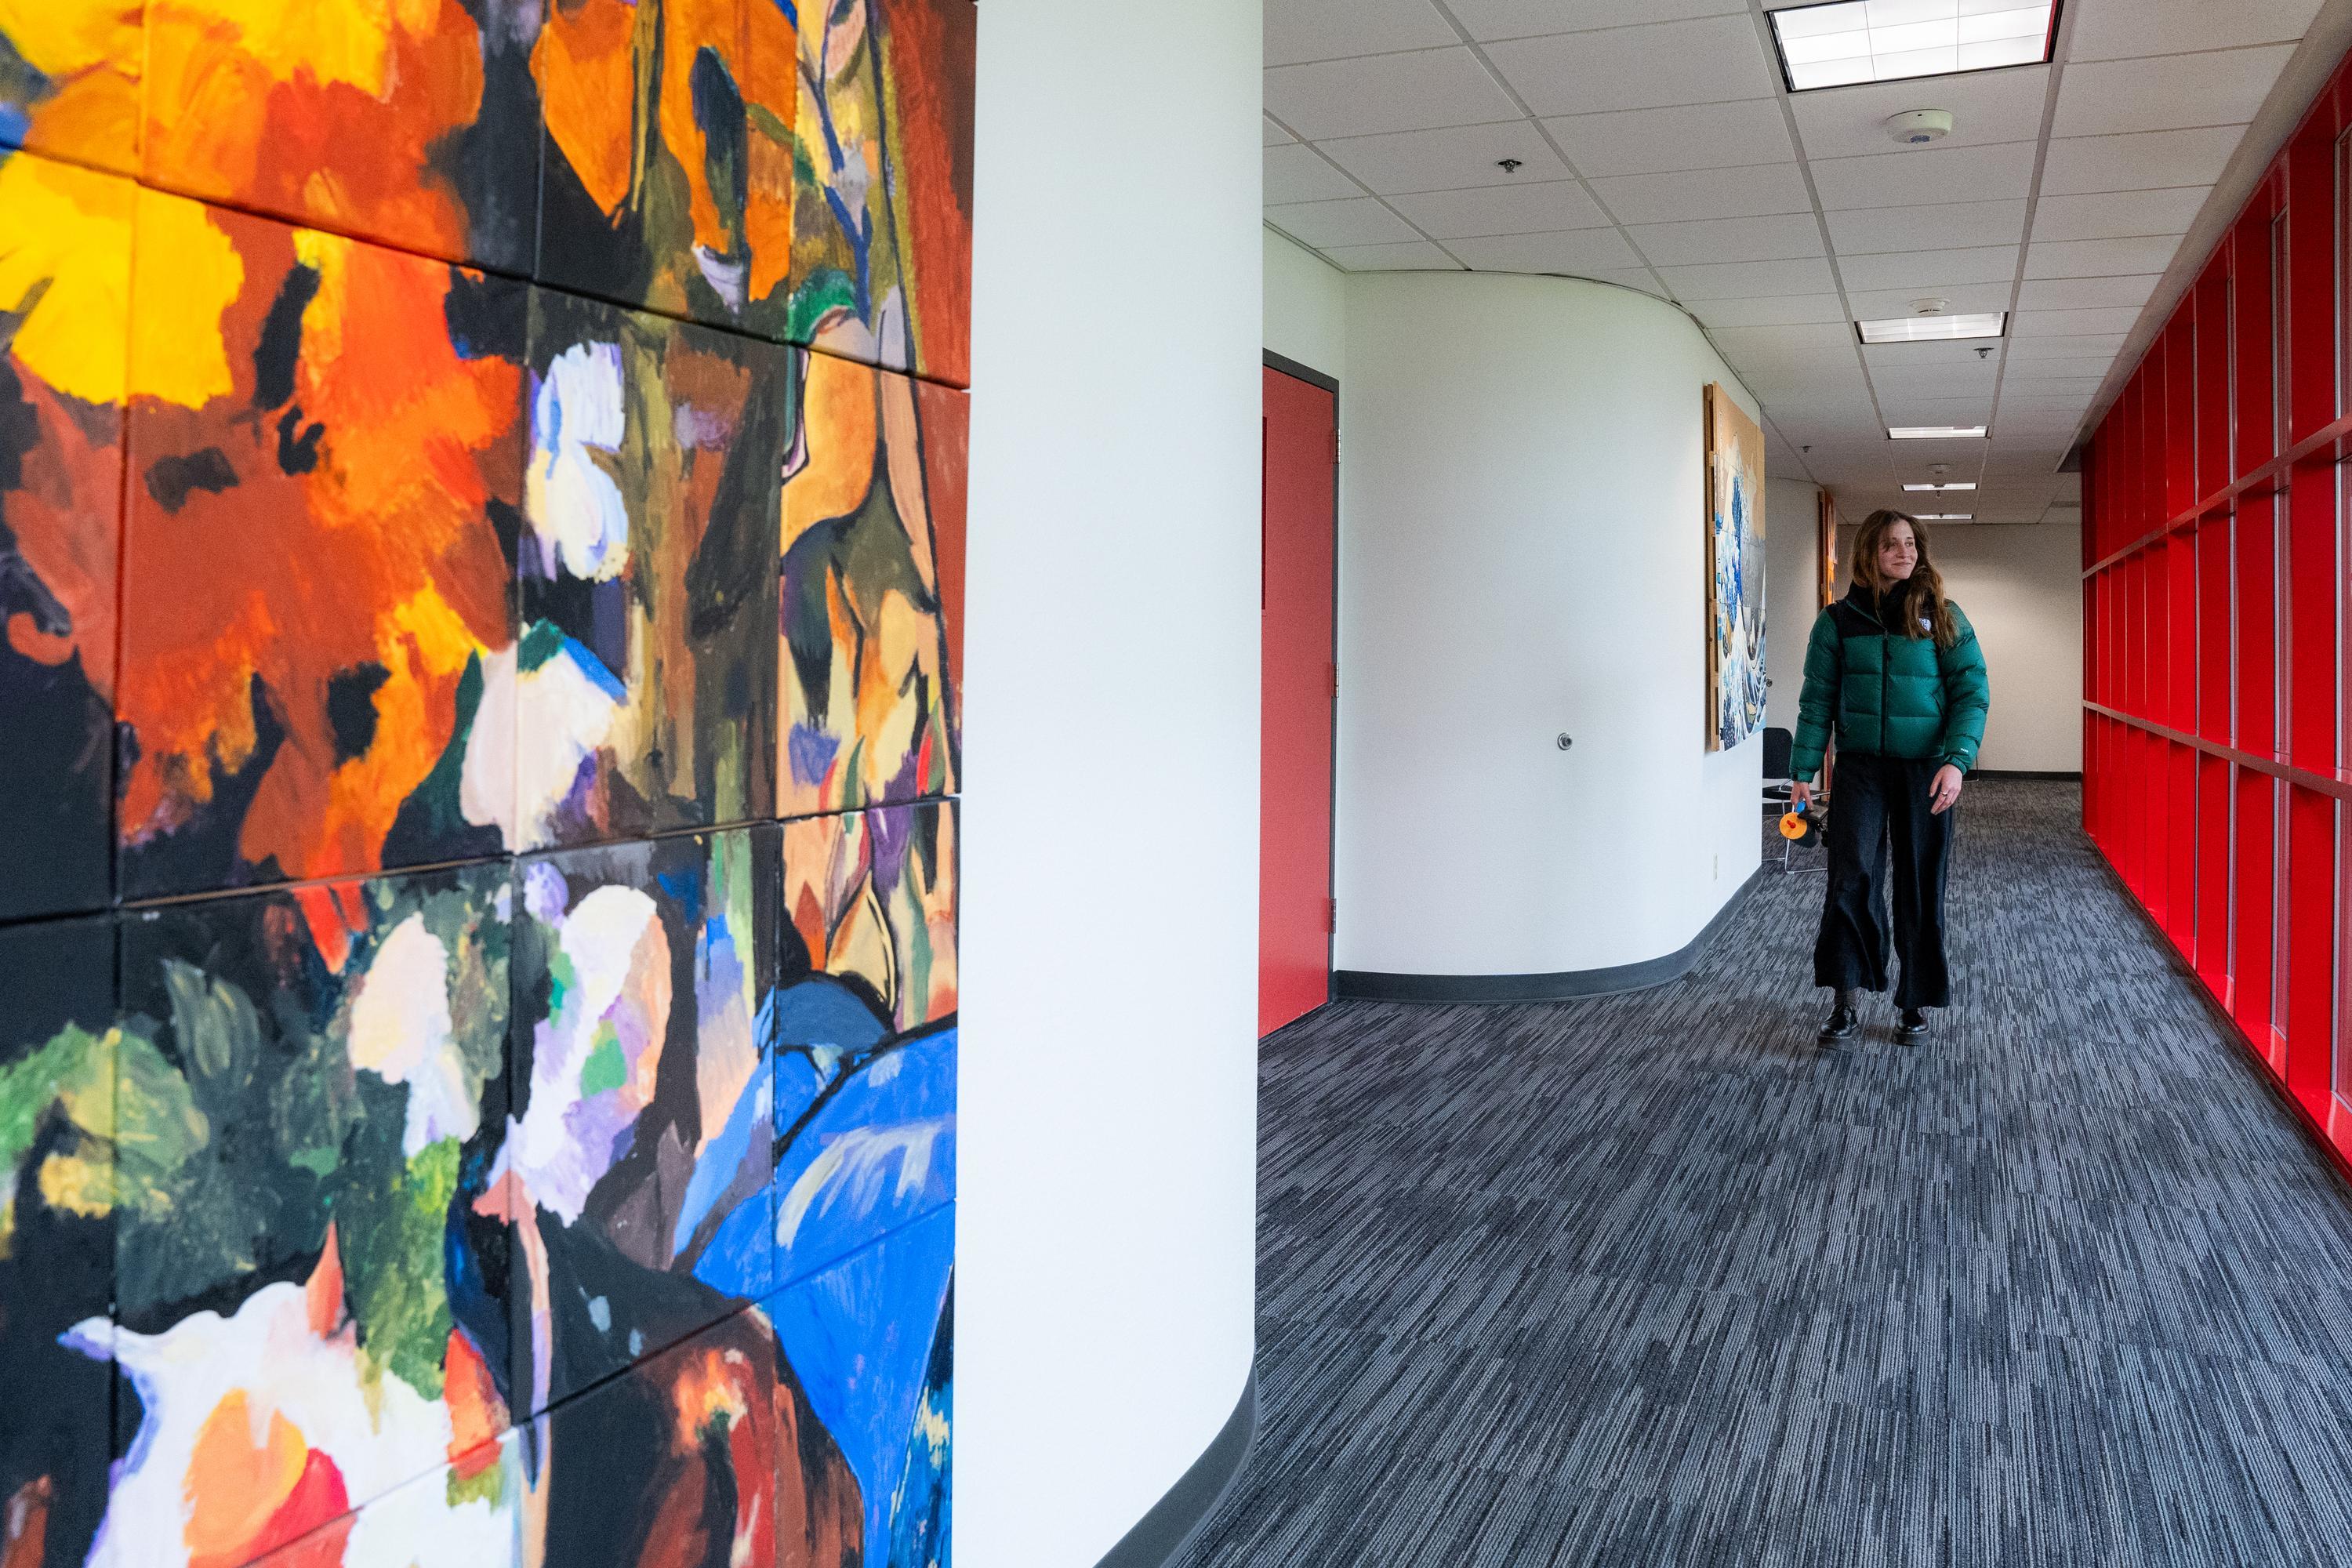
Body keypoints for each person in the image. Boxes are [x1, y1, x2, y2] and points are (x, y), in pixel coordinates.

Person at [1790, 508, 1989, 1045]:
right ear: (1868, 556)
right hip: (1861, 770)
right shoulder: (1837, 622)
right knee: (1850, 878)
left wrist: (1958, 760)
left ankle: (1914, 1003)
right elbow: (1817, 700)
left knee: (1921, 882)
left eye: (1910, 544)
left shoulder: (1943, 616)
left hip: (1927, 769)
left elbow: (1972, 694)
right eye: (1890, 546)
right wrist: (1803, 769)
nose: (1904, 553)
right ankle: (1845, 1001)